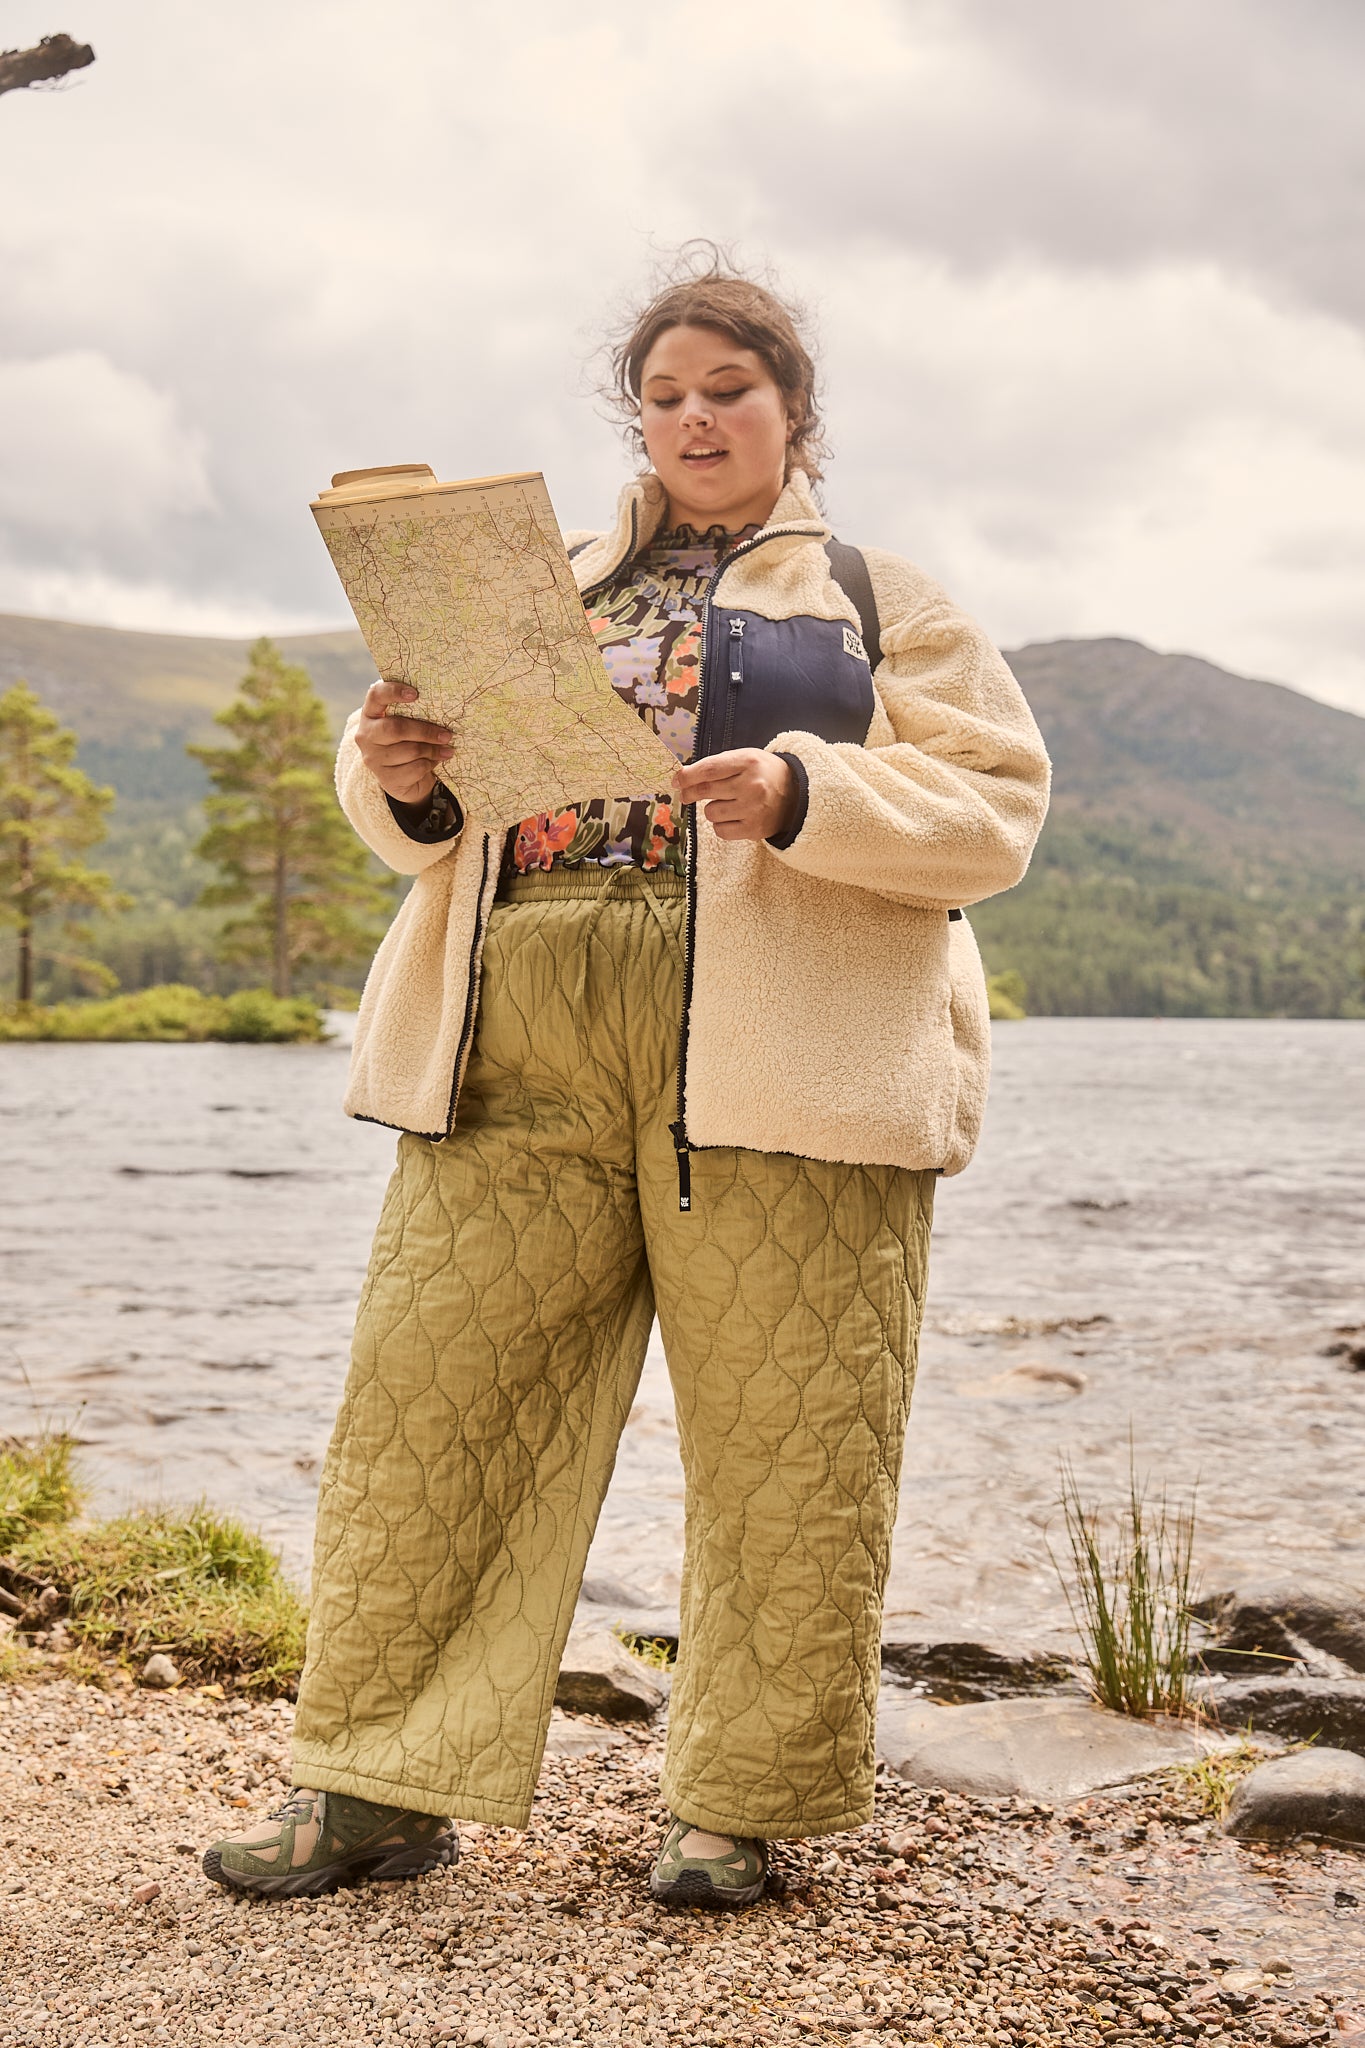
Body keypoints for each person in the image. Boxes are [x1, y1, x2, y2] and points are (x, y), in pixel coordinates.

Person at [204, 255, 1050, 1908]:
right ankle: (373, 1786)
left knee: (788, 1445)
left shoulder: (888, 600)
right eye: (662, 395)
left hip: (785, 1061)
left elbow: (993, 812)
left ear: (790, 410)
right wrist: (399, 776)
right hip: (513, 1039)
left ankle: (738, 1804)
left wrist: (807, 788)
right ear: (634, 418)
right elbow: (420, 826)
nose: (691, 418)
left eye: (724, 390)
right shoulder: (549, 584)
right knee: (426, 1419)